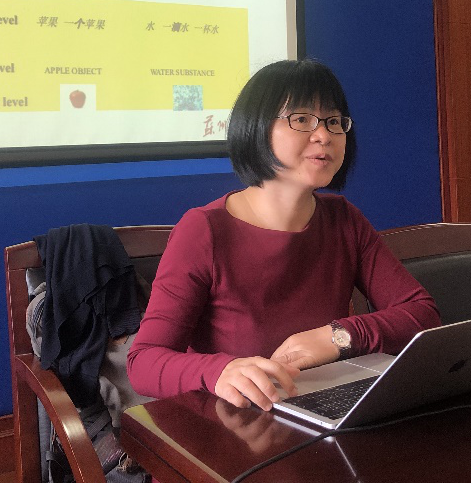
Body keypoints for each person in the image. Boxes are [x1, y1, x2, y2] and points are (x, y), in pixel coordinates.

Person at [127, 59, 440, 410]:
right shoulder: (203, 230)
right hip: (239, 419)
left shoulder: (343, 219)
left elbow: (422, 314)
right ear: (256, 128)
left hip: (325, 407)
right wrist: (220, 371)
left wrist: (338, 336)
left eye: (334, 121)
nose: (324, 135)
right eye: (302, 119)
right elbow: (143, 362)